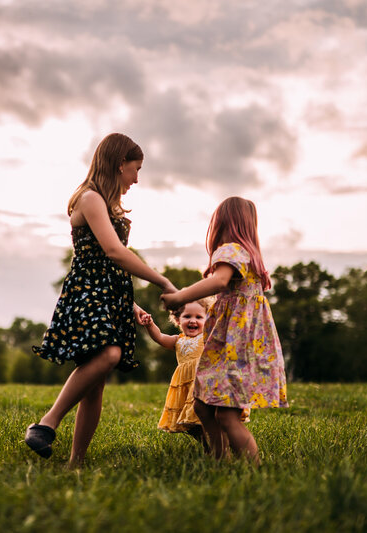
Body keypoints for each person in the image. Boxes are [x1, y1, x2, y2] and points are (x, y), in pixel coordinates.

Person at [25, 133, 177, 466]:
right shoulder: (90, 198)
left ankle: (75, 463)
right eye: (135, 169)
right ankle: (47, 423)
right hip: (87, 292)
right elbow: (113, 252)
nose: (137, 179)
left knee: (96, 384)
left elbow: (112, 262)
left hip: (110, 293)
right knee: (109, 354)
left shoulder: (108, 204)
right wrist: (162, 280)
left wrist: (131, 304)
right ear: (119, 163)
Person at [161, 197, 288, 464]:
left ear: (221, 223)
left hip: (234, 348)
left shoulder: (230, 250)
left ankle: (254, 469)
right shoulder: (248, 255)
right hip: (238, 346)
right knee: (202, 406)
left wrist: (180, 297)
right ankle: (221, 460)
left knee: (227, 416)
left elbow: (217, 281)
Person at [140, 299, 250, 453]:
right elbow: (160, 337)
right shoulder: (178, 340)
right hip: (186, 389)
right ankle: (209, 445)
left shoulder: (207, 336)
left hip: (204, 383)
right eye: (187, 317)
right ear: (178, 320)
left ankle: (224, 445)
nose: (193, 320)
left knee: (208, 418)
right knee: (190, 425)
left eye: (199, 317)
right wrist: (149, 325)